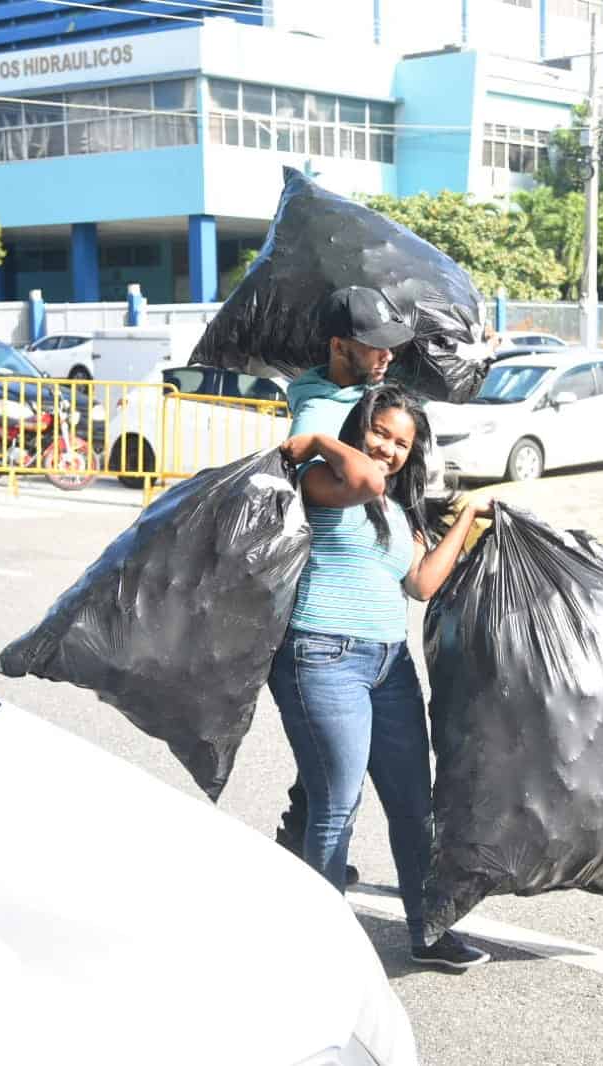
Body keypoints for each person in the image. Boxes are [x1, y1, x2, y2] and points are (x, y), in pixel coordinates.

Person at [270, 384, 491, 970]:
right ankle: (323, 943)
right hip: (321, 656)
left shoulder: (398, 508)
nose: (390, 450)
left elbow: (420, 584)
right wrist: (318, 438)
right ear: (359, 426)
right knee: (337, 803)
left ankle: (430, 930)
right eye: (382, 434)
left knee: (414, 802)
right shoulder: (324, 480)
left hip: (389, 666)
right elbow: (365, 478)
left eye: (403, 443)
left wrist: (465, 517)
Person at [274, 286, 414, 882]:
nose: (385, 357)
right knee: (338, 798)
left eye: (391, 347)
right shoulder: (319, 410)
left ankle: (301, 851)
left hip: (373, 634)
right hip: (326, 630)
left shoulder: (346, 392)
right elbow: (353, 482)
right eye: (373, 345)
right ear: (339, 345)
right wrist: (322, 444)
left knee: (339, 785)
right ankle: (311, 878)